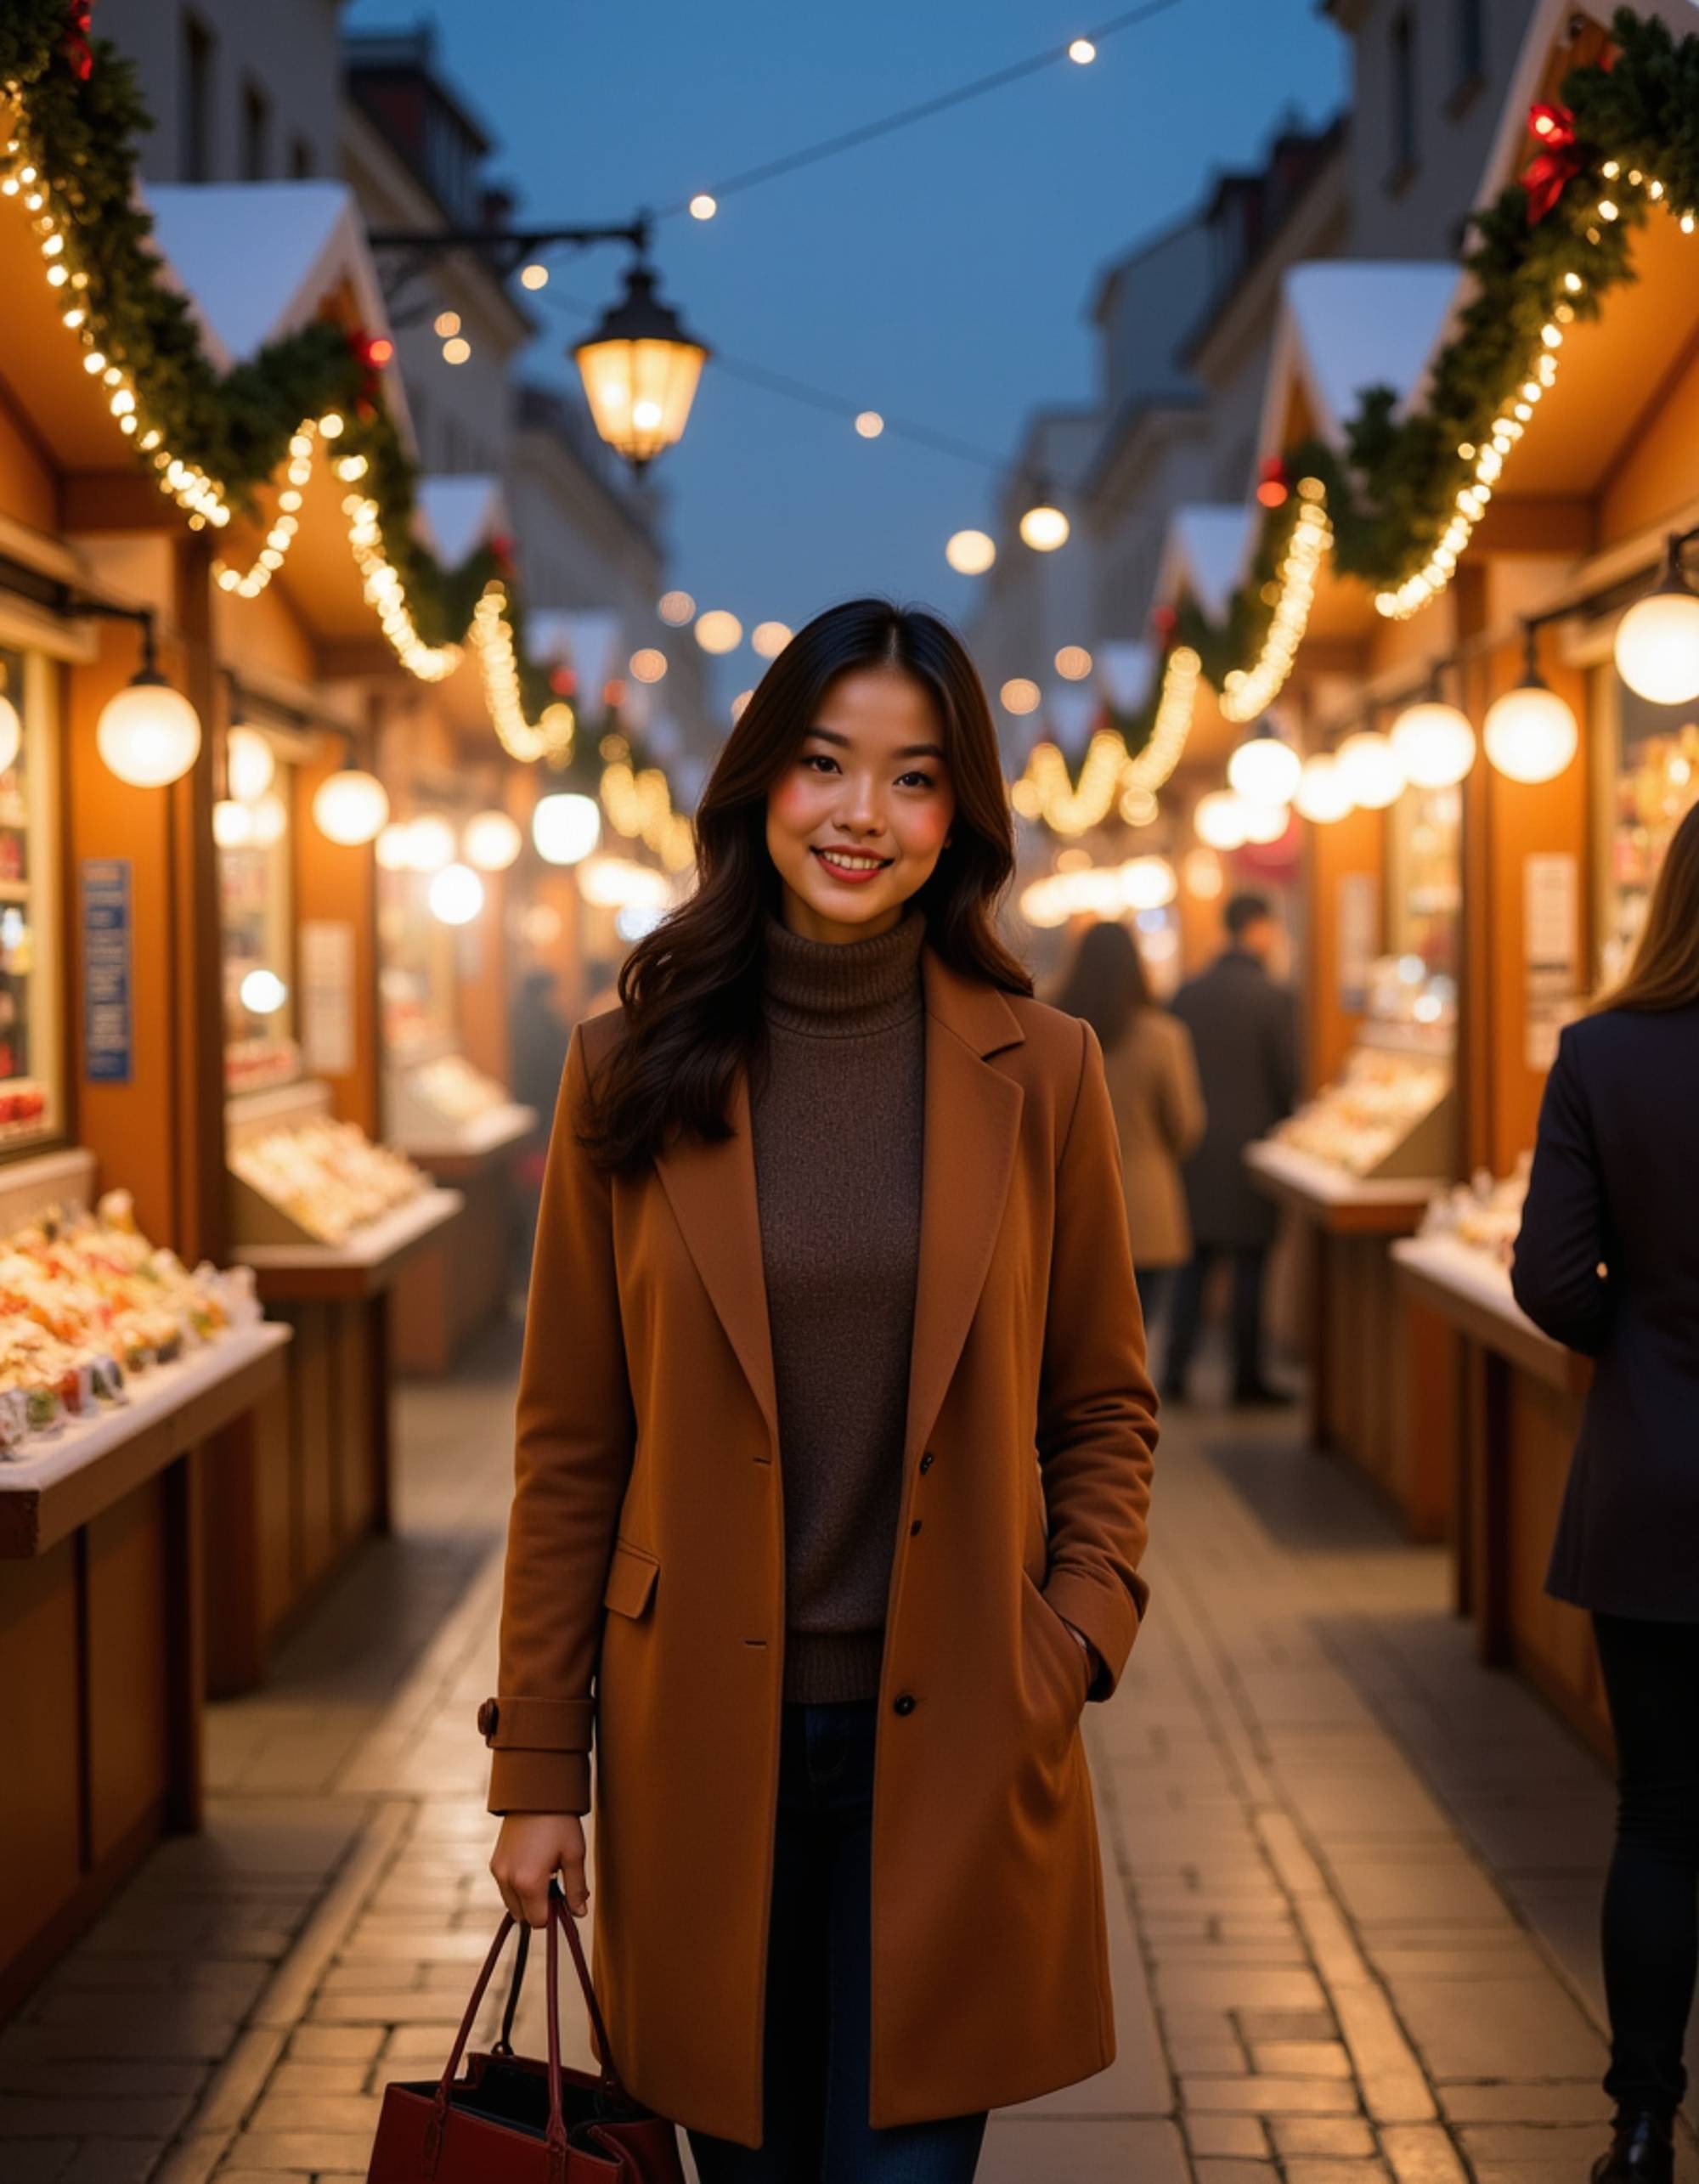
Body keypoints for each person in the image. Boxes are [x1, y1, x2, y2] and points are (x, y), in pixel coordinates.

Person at [482, 598, 1160, 2181]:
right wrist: (537, 1774)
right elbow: (572, 1444)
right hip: (698, 1740)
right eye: (824, 764)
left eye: (915, 778)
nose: (864, 814)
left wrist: (1079, 1635)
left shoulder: (1043, 1068)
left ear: (961, 817)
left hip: (964, 1730)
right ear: (759, 787)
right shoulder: (628, 1066)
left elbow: (1104, 1404)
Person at [1510, 799, 1699, 2184]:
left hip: (1653, 1484)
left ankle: (1640, 2124)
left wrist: (1637, 1340)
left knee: (1659, 1814)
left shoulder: (1602, 1056)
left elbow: (1547, 1283)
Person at [1163, 889, 1297, 1404]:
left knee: (1192, 1267)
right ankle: (1247, 1378)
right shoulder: (1274, 998)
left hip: (1195, 1150)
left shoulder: (1188, 994)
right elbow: (1287, 1078)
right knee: (1249, 1269)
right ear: (1259, 928)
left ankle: (1175, 1373)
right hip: (1251, 1151)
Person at [1050, 917, 1205, 1331]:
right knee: (1133, 1343)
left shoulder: (1048, 1027)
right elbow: (1185, 1127)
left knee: (1067, 1341)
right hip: (1144, 1209)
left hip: (1060, 1205)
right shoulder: (1163, 1036)